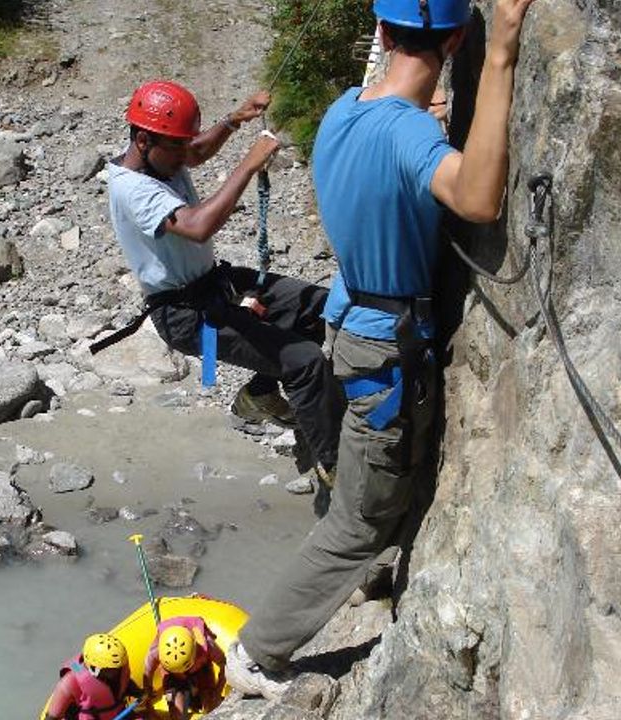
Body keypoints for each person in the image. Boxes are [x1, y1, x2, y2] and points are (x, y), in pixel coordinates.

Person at [226, 0, 537, 699]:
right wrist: (502, 54)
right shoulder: (410, 139)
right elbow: (480, 199)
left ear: (385, 32)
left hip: (349, 327)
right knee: (361, 522)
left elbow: (394, 131)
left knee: (371, 483)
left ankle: (358, 577)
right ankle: (258, 651)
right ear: (456, 39)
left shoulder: (345, 110)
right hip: (381, 352)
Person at [104, 79, 344, 488]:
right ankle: (336, 465)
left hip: (216, 285)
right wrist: (248, 164)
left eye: (185, 144)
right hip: (185, 314)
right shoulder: (131, 189)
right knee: (305, 362)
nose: (186, 154)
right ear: (143, 140)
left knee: (320, 305)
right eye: (176, 147)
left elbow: (195, 152)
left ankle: (260, 395)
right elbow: (197, 227)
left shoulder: (164, 158)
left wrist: (234, 120)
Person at [44, 633, 142, 720]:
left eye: (118, 668)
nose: (116, 672)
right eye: (110, 670)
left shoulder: (118, 671)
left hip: (119, 714)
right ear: (94, 667)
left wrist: (139, 694)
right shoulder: (69, 682)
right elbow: (52, 717)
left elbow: (125, 684)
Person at [143, 617, 227, 719]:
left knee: (212, 707)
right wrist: (149, 703)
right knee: (177, 716)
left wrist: (217, 692)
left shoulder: (206, 643)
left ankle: (201, 696)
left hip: (200, 670)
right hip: (172, 676)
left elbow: (224, 665)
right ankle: (184, 699)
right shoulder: (156, 651)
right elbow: (147, 674)